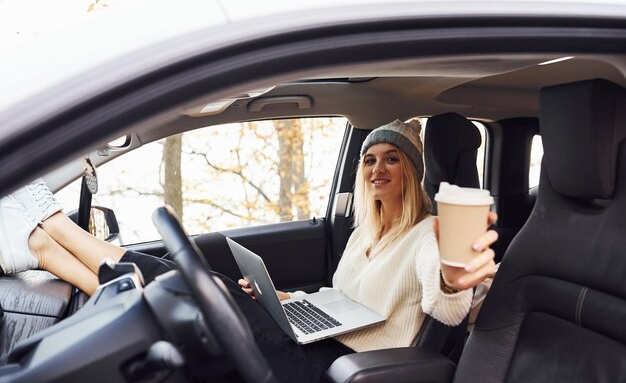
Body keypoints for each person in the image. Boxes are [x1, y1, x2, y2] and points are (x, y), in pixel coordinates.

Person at [0, 119, 497, 382]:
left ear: (412, 171)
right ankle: (47, 245)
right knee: (198, 286)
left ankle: (52, 228)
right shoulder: (364, 233)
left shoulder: (429, 232)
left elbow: (446, 303)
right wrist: (285, 300)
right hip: (320, 341)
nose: (377, 169)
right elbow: (342, 297)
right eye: (369, 159)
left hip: (342, 369)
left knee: (198, 287)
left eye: (393, 159)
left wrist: (458, 277)